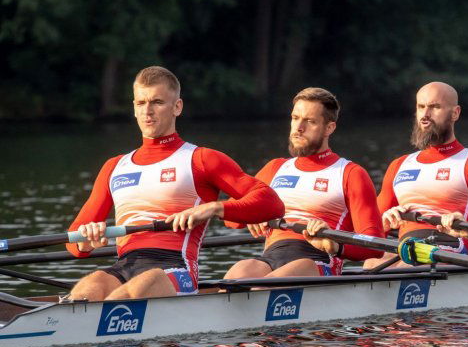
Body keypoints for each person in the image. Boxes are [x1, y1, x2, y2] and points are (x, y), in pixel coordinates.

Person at [66, 66, 285, 301]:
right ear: (134, 108)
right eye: (141, 103)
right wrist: (85, 242)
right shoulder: (114, 166)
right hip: (124, 264)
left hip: (174, 268)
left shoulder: (202, 159)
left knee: (127, 294)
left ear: (177, 107)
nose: (148, 111)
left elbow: (272, 204)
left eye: (157, 102)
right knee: (87, 288)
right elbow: (73, 239)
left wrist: (215, 208)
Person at [223, 87, 384, 278]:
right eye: (295, 118)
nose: (299, 128)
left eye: (310, 121)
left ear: (329, 128)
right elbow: (230, 220)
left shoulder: (351, 174)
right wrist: (251, 214)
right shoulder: (275, 168)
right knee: (240, 271)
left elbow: (374, 246)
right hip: (271, 256)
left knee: (265, 286)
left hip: (317, 260)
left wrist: (334, 244)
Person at [366, 82, 468, 269]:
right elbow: (369, 227)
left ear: (455, 113)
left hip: (452, 246)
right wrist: (382, 222)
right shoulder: (399, 165)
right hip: (408, 247)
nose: (425, 115)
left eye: (435, 107)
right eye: (421, 107)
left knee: (398, 269)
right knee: (371, 262)